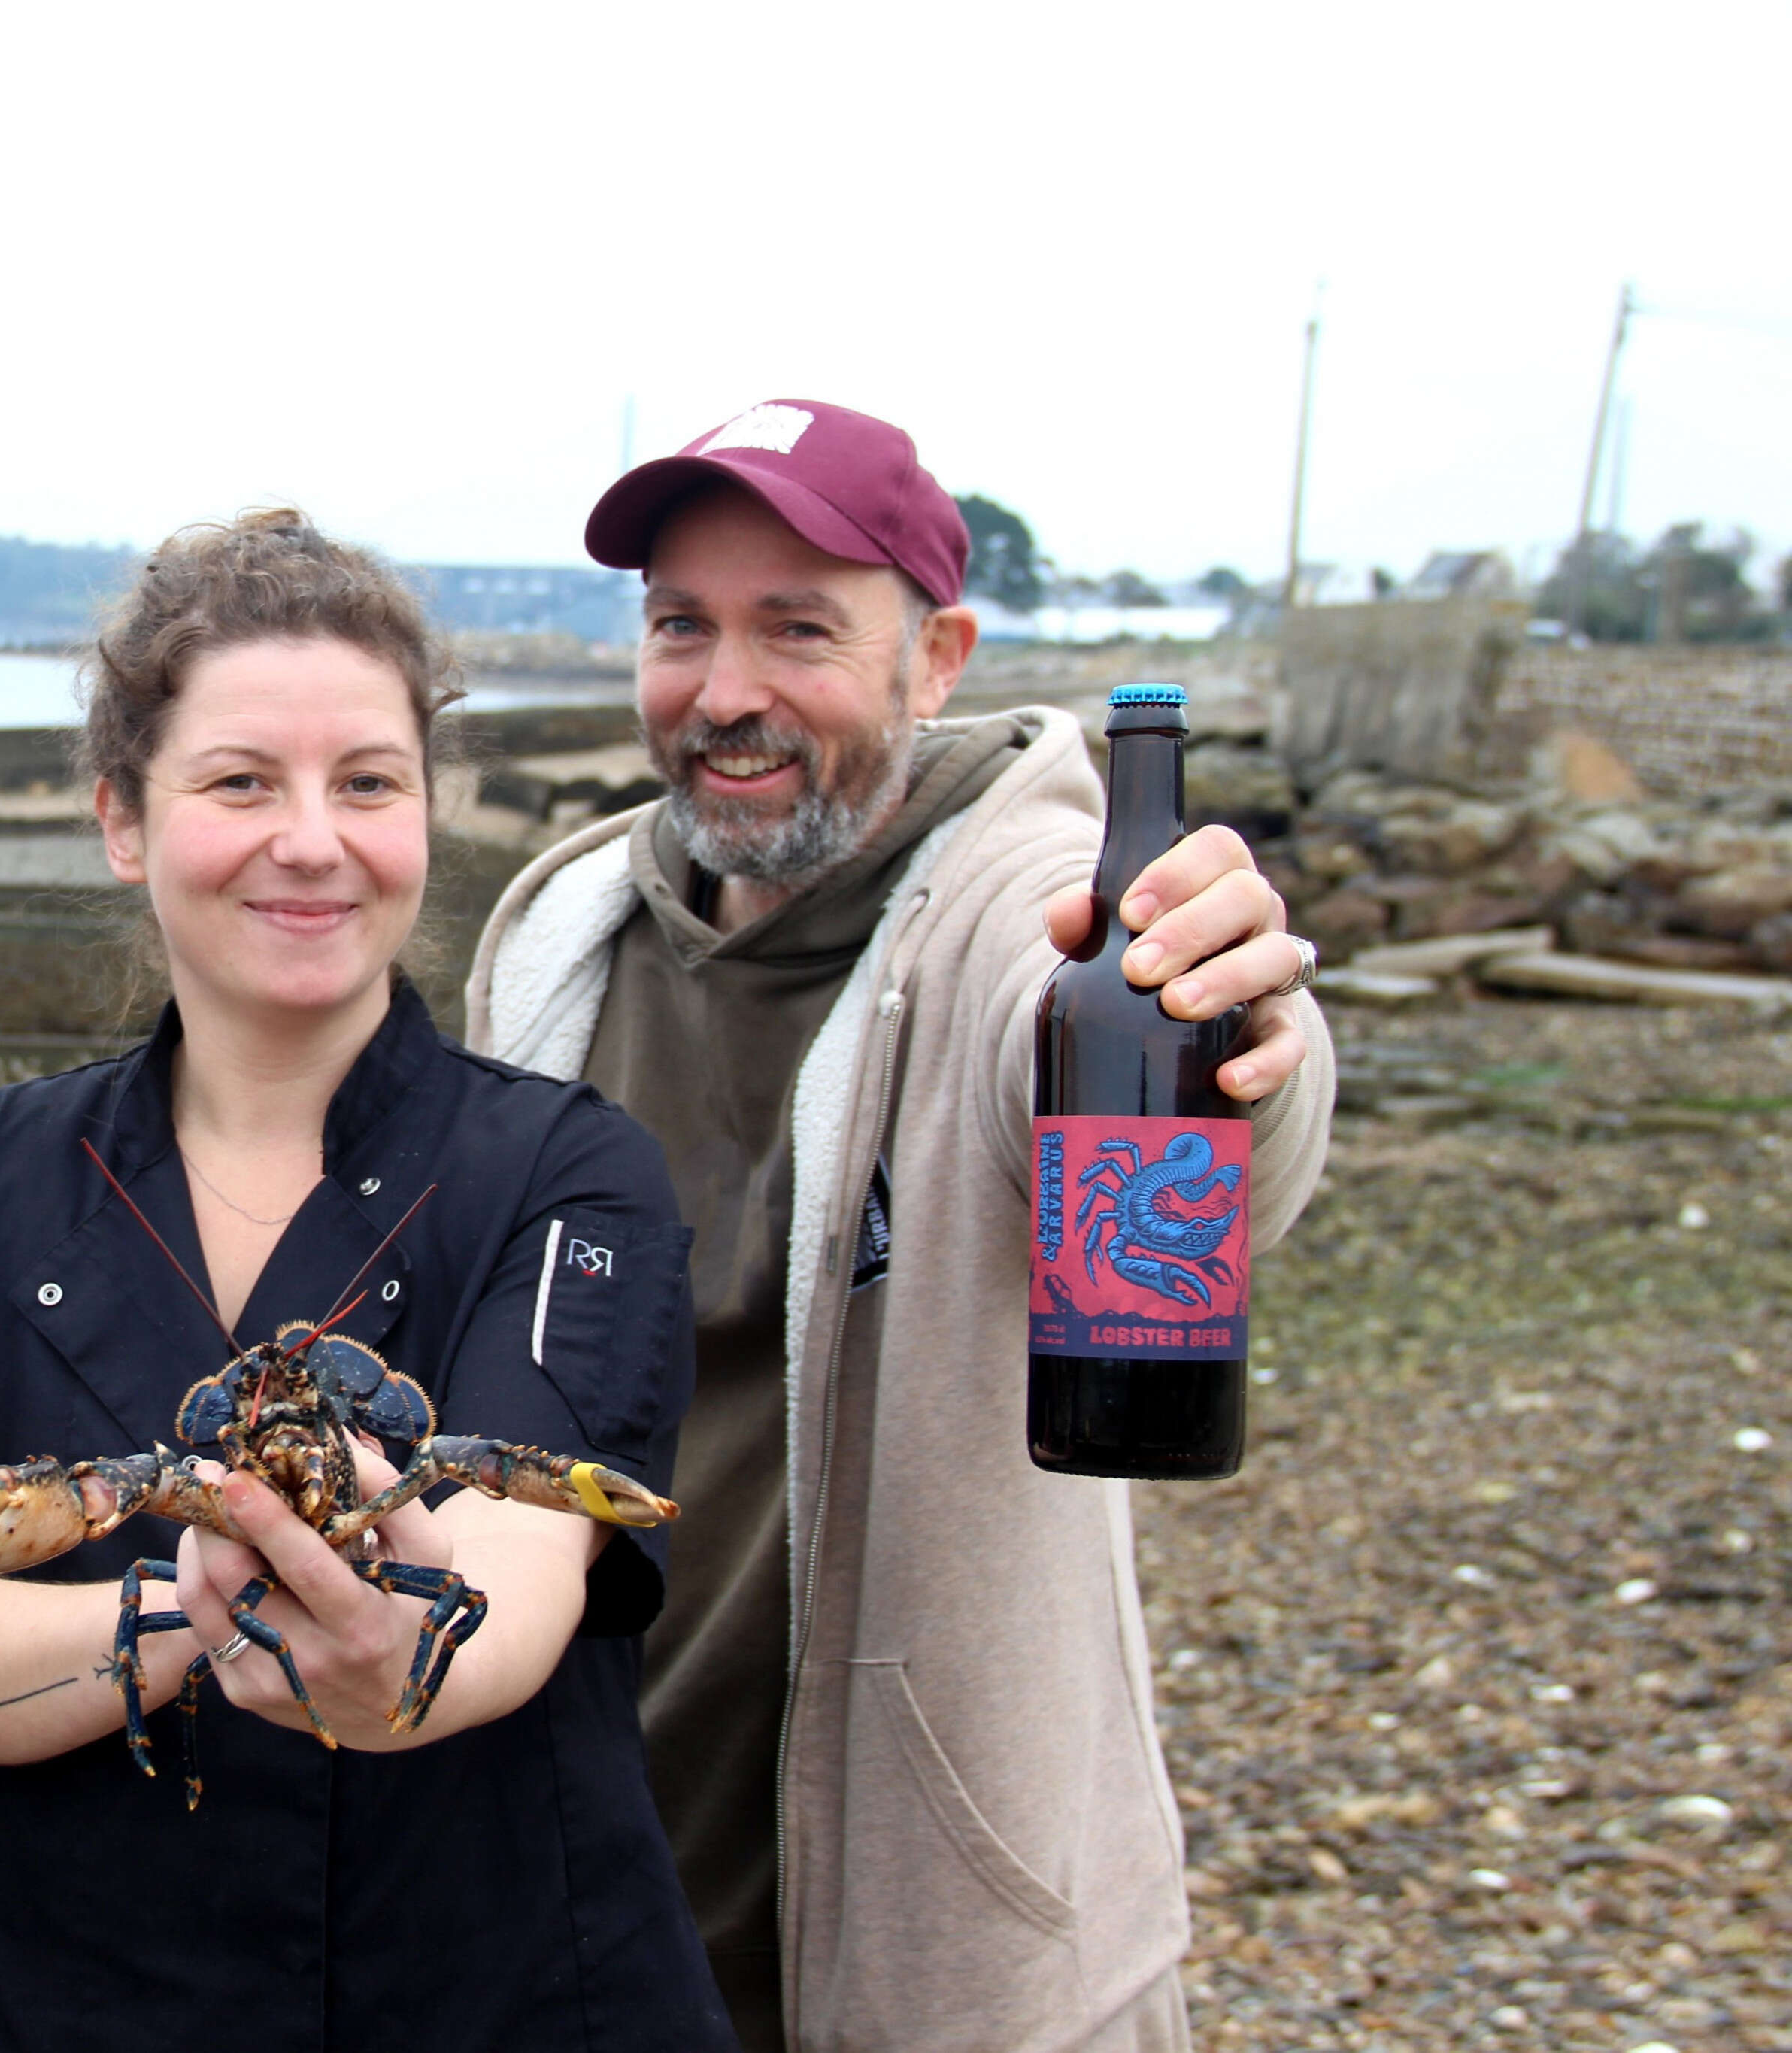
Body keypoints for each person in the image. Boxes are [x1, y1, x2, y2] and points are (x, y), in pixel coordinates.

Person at [0, 509, 735, 2052]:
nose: (311, 838)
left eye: (368, 781)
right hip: (61, 2004)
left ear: (432, 810)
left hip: (507, 1997)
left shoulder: (570, 1172)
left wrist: (393, 1653)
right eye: (239, 781)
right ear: (118, 817)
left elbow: (508, 1589)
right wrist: (213, 1599)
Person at [465, 399, 1337, 2053]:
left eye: (797, 628)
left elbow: (1152, 1073)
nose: (724, 693)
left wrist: (1238, 1034)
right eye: (679, 627)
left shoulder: (1033, 905)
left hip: (922, 1919)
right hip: (564, 1887)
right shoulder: (556, 935)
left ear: (934, 656)